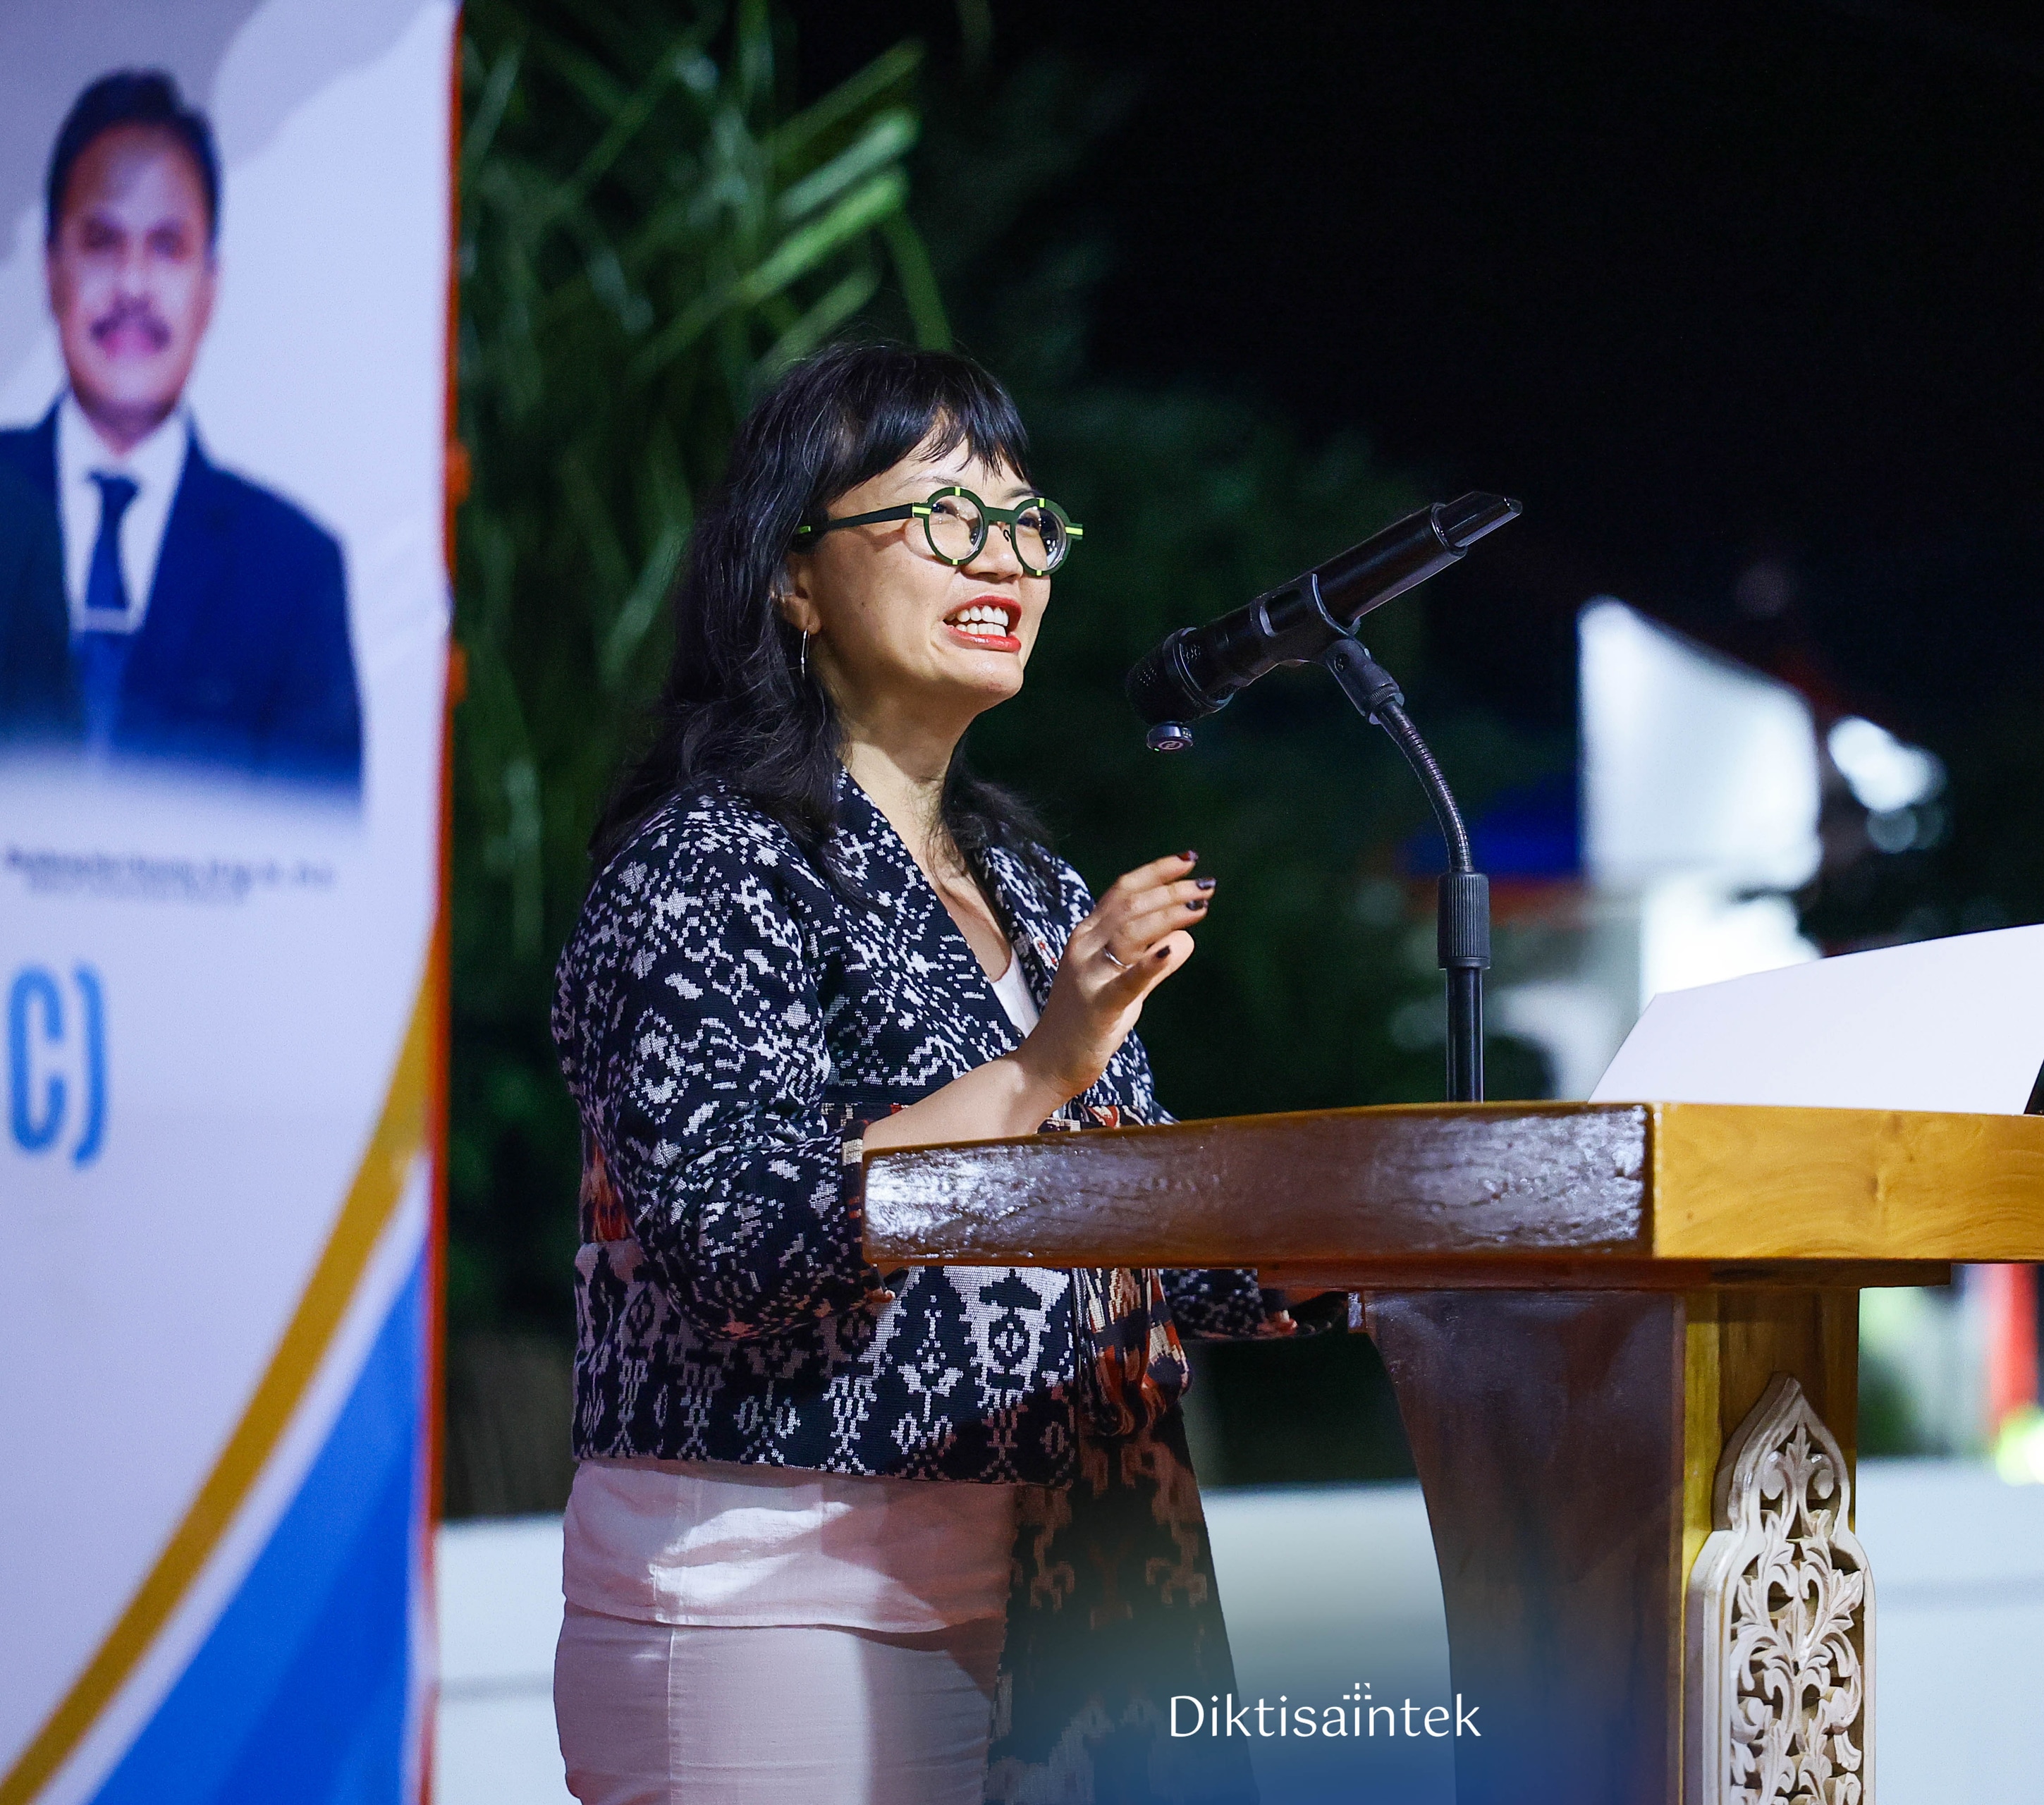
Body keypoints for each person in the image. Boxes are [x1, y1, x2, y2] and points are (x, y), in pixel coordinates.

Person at [549, 343, 1331, 1804]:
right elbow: (739, 1240)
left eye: (1027, 522)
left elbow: (1137, 1240)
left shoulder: (1032, 886)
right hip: (781, 1600)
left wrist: (1394, 1234)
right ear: (794, 578)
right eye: (946, 514)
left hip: (1051, 1604)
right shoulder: (704, 867)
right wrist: (1036, 1073)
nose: (1006, 557)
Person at [0, 70, 361, 790]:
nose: (132, 284)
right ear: (51, 267)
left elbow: (321, 843)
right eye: (101, 240)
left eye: (167, 245)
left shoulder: (294, 571)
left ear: (210, 285)